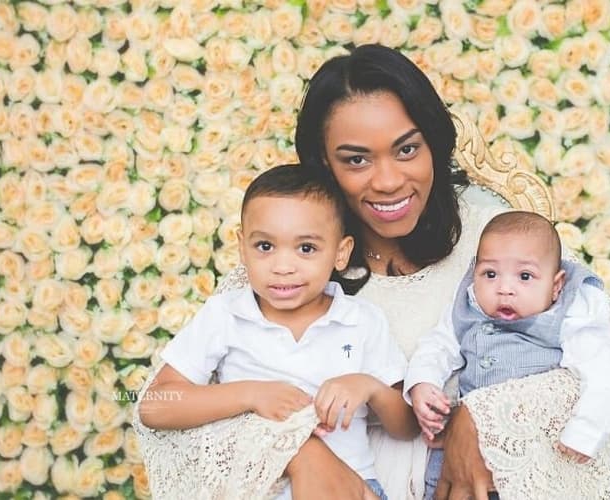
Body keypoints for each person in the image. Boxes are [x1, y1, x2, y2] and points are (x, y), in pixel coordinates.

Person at [134, 43, 610, 500]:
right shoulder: (293, 257)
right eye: (356, 159)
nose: (388, 181)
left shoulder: (496, 235)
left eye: (407, 149)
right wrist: (294, 453)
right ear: (323, 165)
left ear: (434, 142)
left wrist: (481, 417)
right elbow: (167, 409)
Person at [139, 165, 419, 500]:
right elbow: (155, 405)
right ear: (242, 247)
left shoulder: (361, 320)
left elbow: (407, 426)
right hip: (255, 488)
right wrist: (251, 395)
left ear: (340, 253)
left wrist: (369, 387)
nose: (283, 267)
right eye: (265, 246)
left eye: (306, 249)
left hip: (349, 486)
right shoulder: (226, 315)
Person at [405, 211, 610, 500]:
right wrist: (423, 382)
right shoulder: (469, 307)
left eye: (525, 276)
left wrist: (586, 431)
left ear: (556, 286)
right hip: (459, 450)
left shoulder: (568, 316)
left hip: (529, 451)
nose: (505, 289)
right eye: (490, 274)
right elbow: (438, 344)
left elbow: (606, 372)